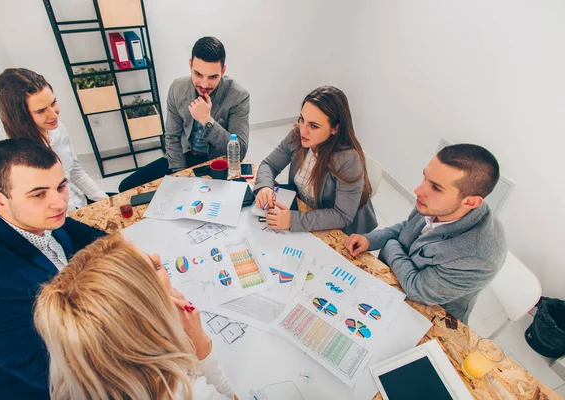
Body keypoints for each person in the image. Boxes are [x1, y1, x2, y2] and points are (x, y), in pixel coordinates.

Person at [0, 138, 106, 400]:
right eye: (39, 193)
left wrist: (132, 261)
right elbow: (48, 370)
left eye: (61, 186)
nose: (59, 203)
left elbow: (88, 236)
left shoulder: (27, 212)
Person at [33, 233, 236, 400]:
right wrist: (201, 344)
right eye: (155, 267)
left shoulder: (77, 376)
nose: (158, 257)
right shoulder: (180, 390)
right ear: (144, 312)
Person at [344, 144, 507, 323]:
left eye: (436, 187)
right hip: (392, 281)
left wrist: (390, 244)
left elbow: (417, 289)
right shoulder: (435, 202)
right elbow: (408, 228)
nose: (418, 190)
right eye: (425, 177)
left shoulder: (480, 257)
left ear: (470, 202)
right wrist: (370, 239)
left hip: (428, 315)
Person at [118, 36, 250, 192]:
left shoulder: (238, 96)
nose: (204, 84)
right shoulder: (177, 88)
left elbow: (239, 151)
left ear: (223, 71)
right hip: (182, 157)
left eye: (213, 77)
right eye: (198, 74)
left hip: (217, 162)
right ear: (190, 65)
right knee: (126, 188)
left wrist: (207, 121)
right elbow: (172, 137)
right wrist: (179, 175)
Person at [253, 86, 377, 234]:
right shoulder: (297, 135)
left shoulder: (348, 160)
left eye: (314, 125)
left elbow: (341, 215)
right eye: (302, 119)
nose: (303, 130)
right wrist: (265, 187)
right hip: (307, 213)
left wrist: (293, 220)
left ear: (335, 129)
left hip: (341, 231)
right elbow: (269, 165)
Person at [0, 68, 108, 211]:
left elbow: (75, 172)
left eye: (53, 103)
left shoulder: (58, 128)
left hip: (80, 204)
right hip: (58, 218)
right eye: (41, 111)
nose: (53, 115)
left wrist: (105, 201)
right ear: (21, 117)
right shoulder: (18, 157)